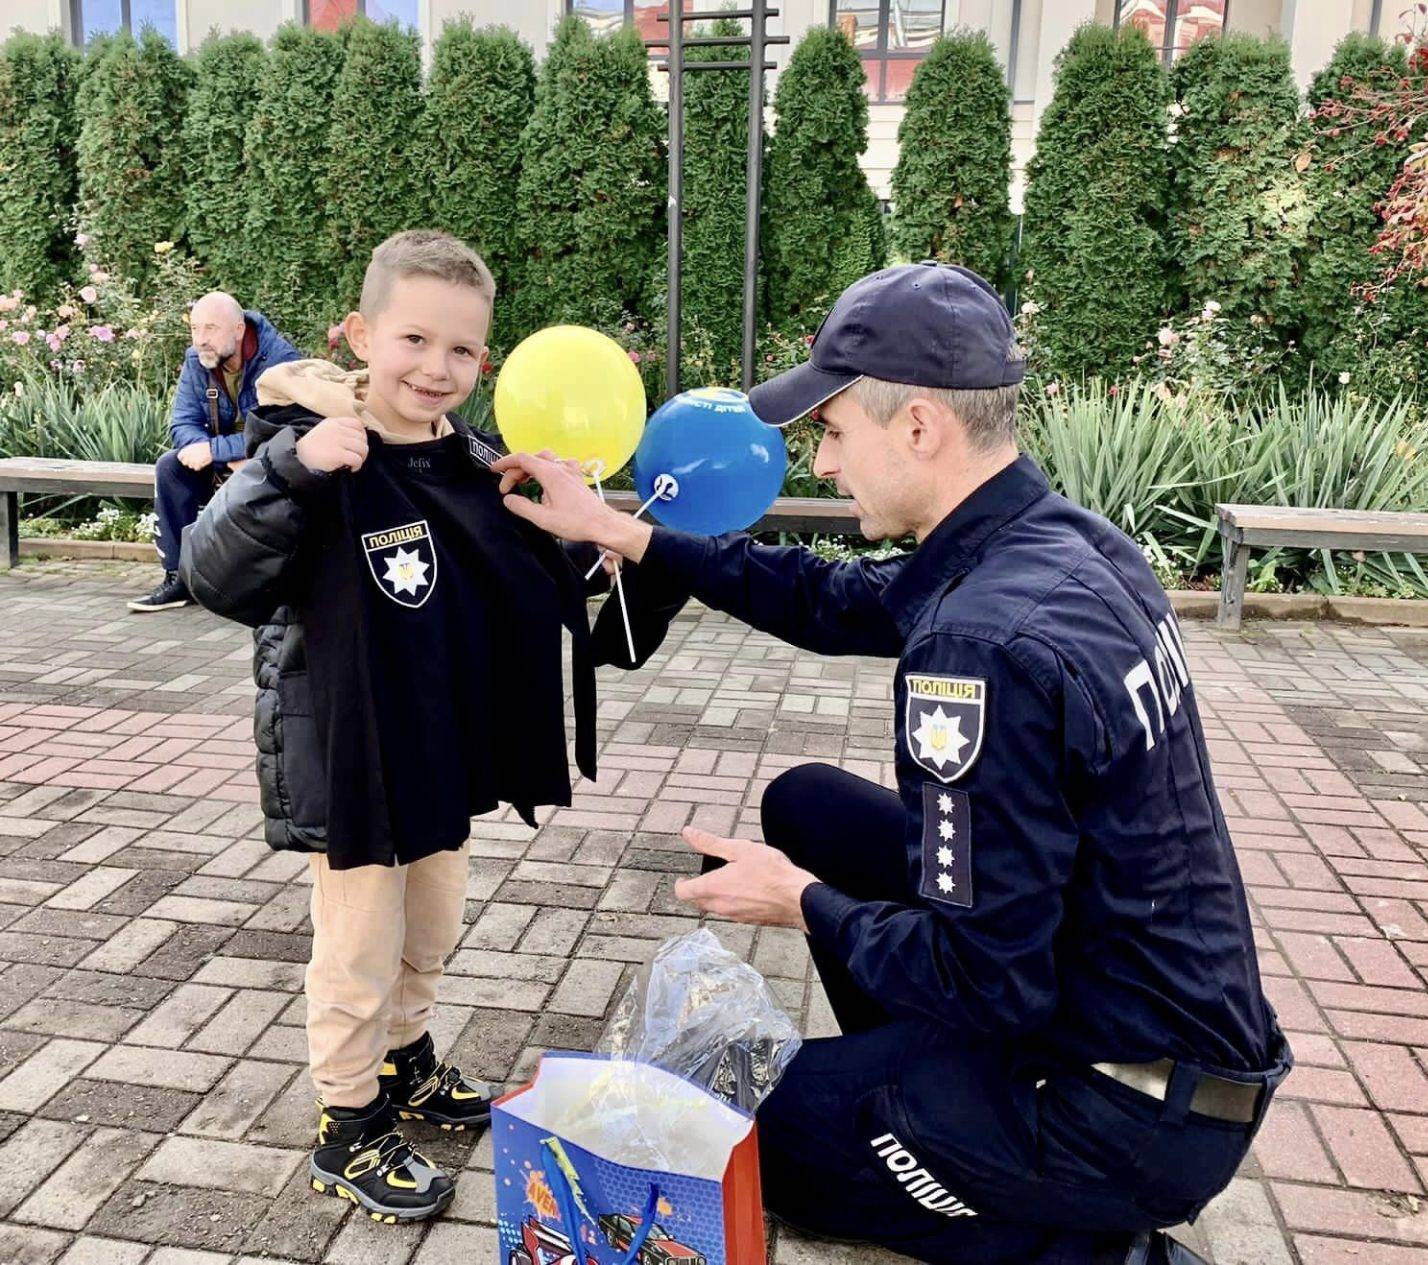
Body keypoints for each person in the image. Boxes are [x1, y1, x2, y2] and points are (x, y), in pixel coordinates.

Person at [494, 262, 1291, 1265]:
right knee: (811, 804)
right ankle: (931, 1094)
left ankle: (1092, 1239)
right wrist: (620, 529)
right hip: (1146, 1024)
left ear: (918, 427)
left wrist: (804, 903)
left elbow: (988, 977)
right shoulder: (1064, 543)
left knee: (733, 1137)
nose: (823, 465)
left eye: (832, 432)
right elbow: (827, 600)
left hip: (1118, 1101)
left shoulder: (982, 647)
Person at [179, 231, 664, 1223]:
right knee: (359, 942)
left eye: (461, 350)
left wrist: (586, 550)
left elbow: (511, 576)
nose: (435, 368)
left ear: (484, 359)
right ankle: (348, 1119)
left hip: (445, 744)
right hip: (353, 753)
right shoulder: (311, 452)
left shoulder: (478, 458)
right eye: (413, 339)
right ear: (360, 333)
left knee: (432, 925)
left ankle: (405, 1056)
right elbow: (211, 571)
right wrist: (291, 472)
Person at [128, 291, 300, 612]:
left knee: (266, 464)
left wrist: (217, 450)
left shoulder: (280, 360)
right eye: (195, 329)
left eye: (210, 329)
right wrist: (216, 453)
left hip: (268, 460)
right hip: (225, 460)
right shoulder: (198, 360)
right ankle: (179, 579)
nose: (200, 339)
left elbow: (282, 431)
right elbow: (181, 424)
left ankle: (267, 582)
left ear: (238, 329)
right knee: (170, 467)